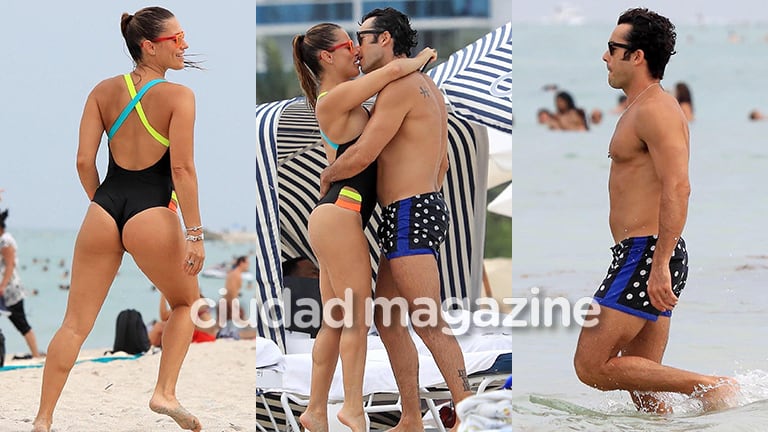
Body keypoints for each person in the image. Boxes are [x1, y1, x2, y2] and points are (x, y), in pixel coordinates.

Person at [33, 7, 204, 432]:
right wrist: (195, 234)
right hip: (152, 211)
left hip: (103, 209)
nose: (184, 44)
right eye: (176, 38)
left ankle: (42, 419)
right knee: (186, 304)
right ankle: (164, 392)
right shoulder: (179, 97)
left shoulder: (102, 91)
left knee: (73, 324)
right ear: (149, 46)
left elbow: (82, 161)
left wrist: (103, 208)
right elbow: (181, 170)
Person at [573, 7, 739, 414]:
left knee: (590, 365)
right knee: (645, 395)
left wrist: (659, 262)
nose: (604, 56)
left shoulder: (656, 111)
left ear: (638, 56)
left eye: (613, 48)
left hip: (646, 253)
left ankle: (712, 386)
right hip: (647, 253)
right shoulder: (640, 108)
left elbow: (678, 186)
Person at [319, 7, 474, 430]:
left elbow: (366, 151)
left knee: (428, 321)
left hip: (410, 212)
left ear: (385, 39)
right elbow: (440, 164)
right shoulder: (428, 87)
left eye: (362, 37)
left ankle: (471, 415)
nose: (357, 46)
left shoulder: (399, 88)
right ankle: (410, 417)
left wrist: (329, 173)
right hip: (415, 208)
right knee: (389, 319)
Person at [292, 19, 437, 432]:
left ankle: (314, 411)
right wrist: (422, 58)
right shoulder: (331, 99)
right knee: (357, 318)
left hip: (333, 215)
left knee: (334, 321)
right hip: (340, 214)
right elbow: (390, 71)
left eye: (358, 44)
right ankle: (352, 408)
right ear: (326, 57)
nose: (355, 51)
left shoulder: (348, 102)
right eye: (346, 46)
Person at [0, 209, 43, 359]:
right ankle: (36, 354)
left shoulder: (5, 241)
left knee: (21, 323)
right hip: (7, 288)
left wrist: (2, 286)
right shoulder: (4, 239)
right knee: (21, 322)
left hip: (10, 290)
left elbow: (10, 265)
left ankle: (36, 355)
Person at [217, 255, 250, 339]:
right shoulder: (236, 274)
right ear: (241, 263)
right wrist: (234, 306)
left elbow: (230, 290)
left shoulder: (233, 273)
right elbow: (232, 291)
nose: (248, 265)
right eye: (247, 263)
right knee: (241, 321)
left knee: (223, 325)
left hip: (225, 301)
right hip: (228, 302)